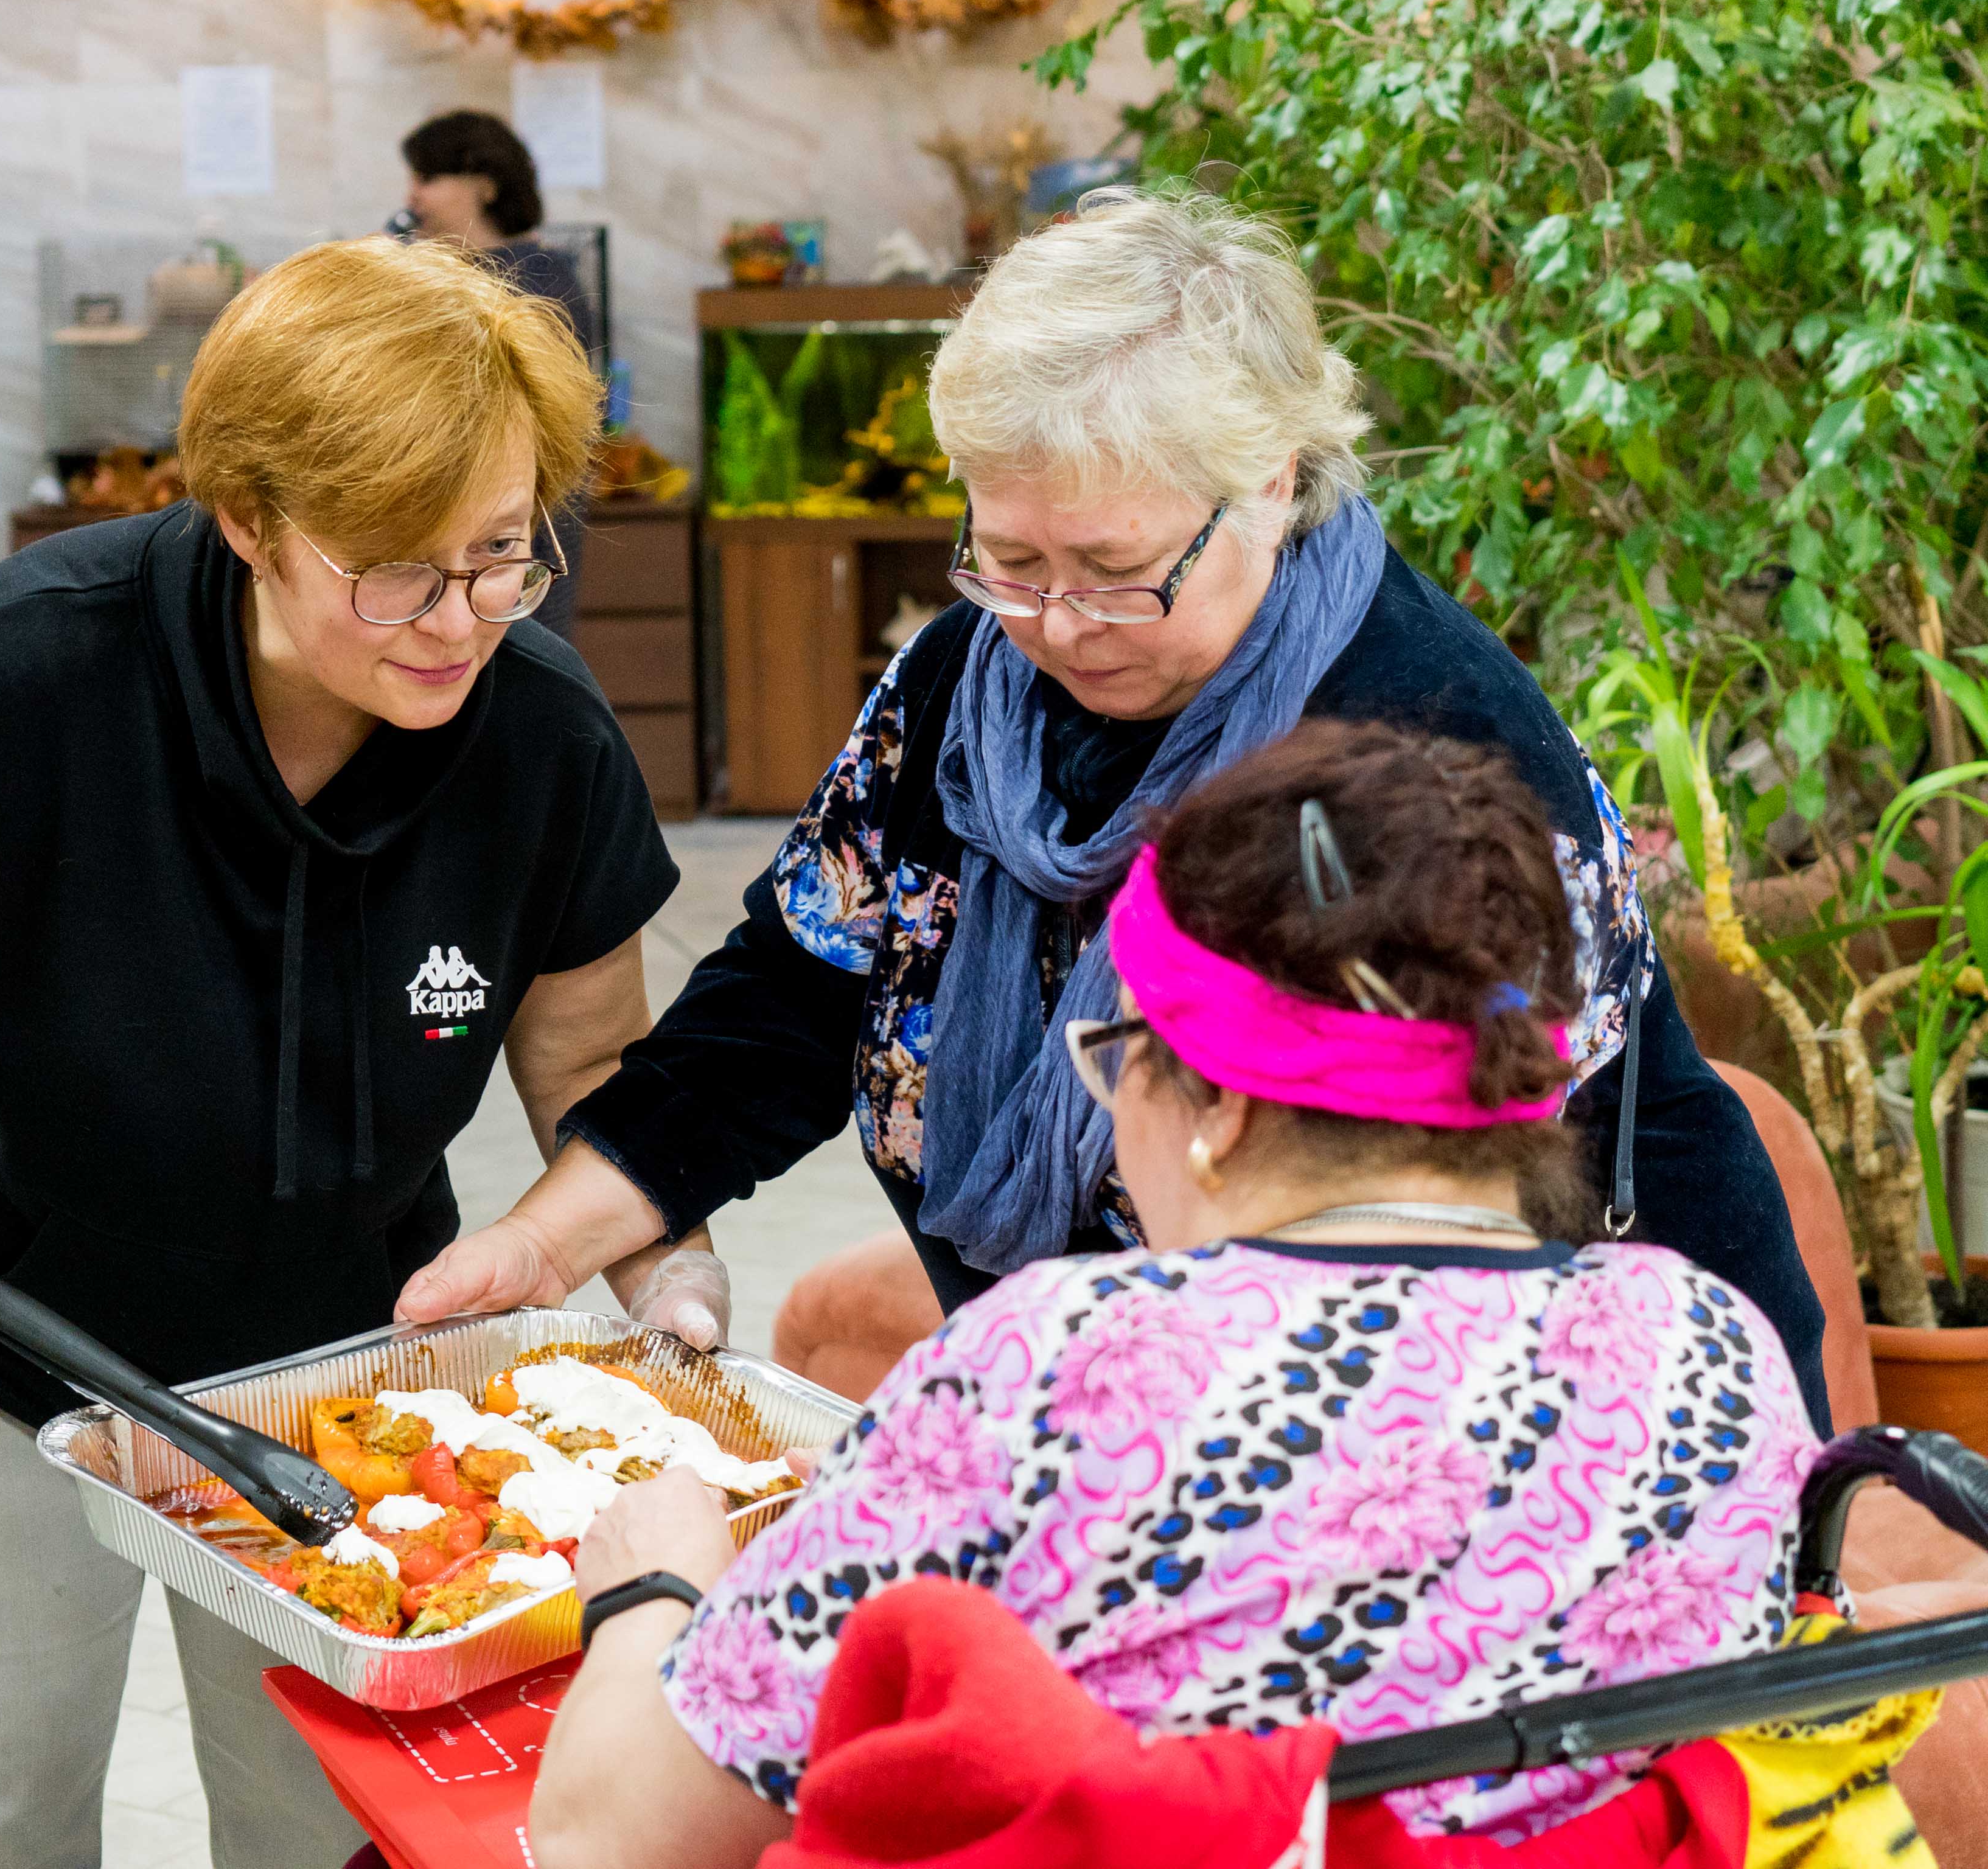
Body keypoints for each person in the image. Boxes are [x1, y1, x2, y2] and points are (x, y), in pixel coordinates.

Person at [396, 184, 1833, 1433]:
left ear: (1268, 482)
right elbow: (794, 989)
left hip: (1408, 1431)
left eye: (1114, 564)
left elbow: (1492, 1193)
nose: (1056, 621)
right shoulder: (963, 681)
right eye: (1004, 552)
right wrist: (540, 1241)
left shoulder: (1423, 752)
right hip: (1099, 1399)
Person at [0, 237, 722, 1869]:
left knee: (334, 1830)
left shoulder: (543, 736)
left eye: (503, 555)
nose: (462, 619)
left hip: (343, 1375)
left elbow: (594, 1063)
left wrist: (668, 1258)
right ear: (252, 520)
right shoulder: (26, 660)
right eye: (399, 571)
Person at [527, 719, 1822, 1869]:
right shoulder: (1709, 1348)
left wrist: (654, 1589)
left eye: (1116, 1051)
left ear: (1208, 1105)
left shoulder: (1048, 1372)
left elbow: (608, 1837)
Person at [401, 108, 599, 639]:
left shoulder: (534, 281)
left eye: (427, 178)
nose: (411, 197)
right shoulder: (449, 272)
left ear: (484, 186)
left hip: (515, 530)